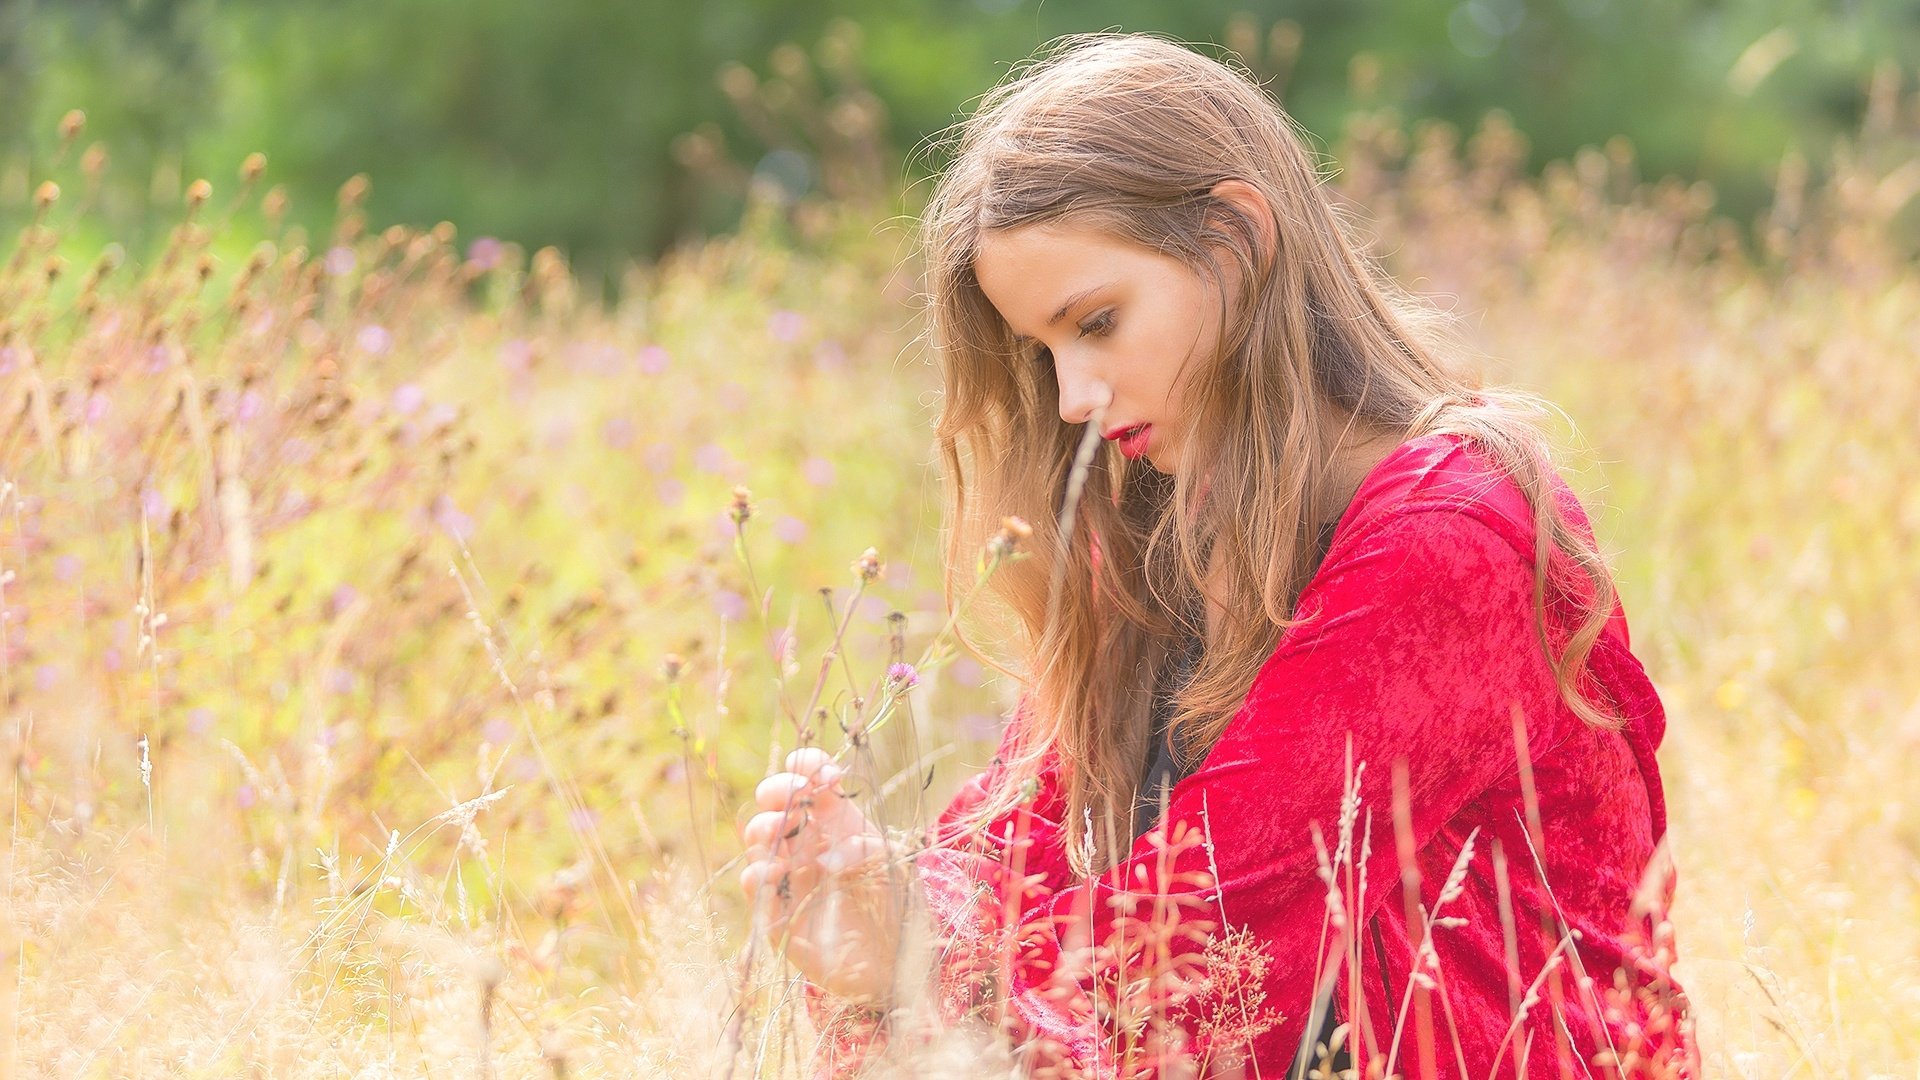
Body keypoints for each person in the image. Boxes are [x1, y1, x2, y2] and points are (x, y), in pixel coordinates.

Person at [739, 32, 1695, 1080]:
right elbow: (1017, 856)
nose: (1072, 398)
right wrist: (866, 895)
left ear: (1235, 239)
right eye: (1042, 352)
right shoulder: (1166, 537)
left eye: (1098, 322)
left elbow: (1197, 943)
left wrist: (908, 950)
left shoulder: (1452, 540)